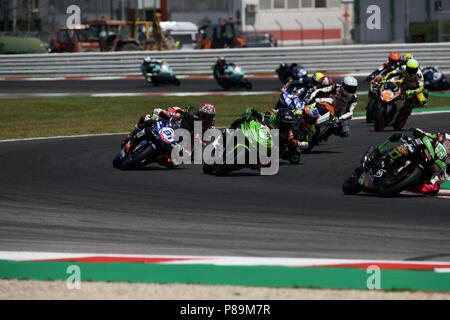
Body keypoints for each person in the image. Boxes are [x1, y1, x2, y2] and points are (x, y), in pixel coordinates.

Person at [361, 128, 450, 196]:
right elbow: (432, 136)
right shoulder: (446, 137)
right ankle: (376, 153)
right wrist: (421, 132)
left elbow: (445, 177)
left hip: (432, 169)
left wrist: (441, 176)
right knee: (399, 137)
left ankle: (402, 183)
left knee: (433, 189)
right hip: (424, 151)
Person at [121, 103, 216, 148]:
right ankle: (131, 134)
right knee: (147, 118)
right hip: (169, 128)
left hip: (183, 143)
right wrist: (160, 114)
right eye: (206, 115)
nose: (207, 118)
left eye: (210, 117)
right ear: (200, 113)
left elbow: (202, 143)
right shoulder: (187, 114)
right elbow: (168, 110)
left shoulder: (210, 128)